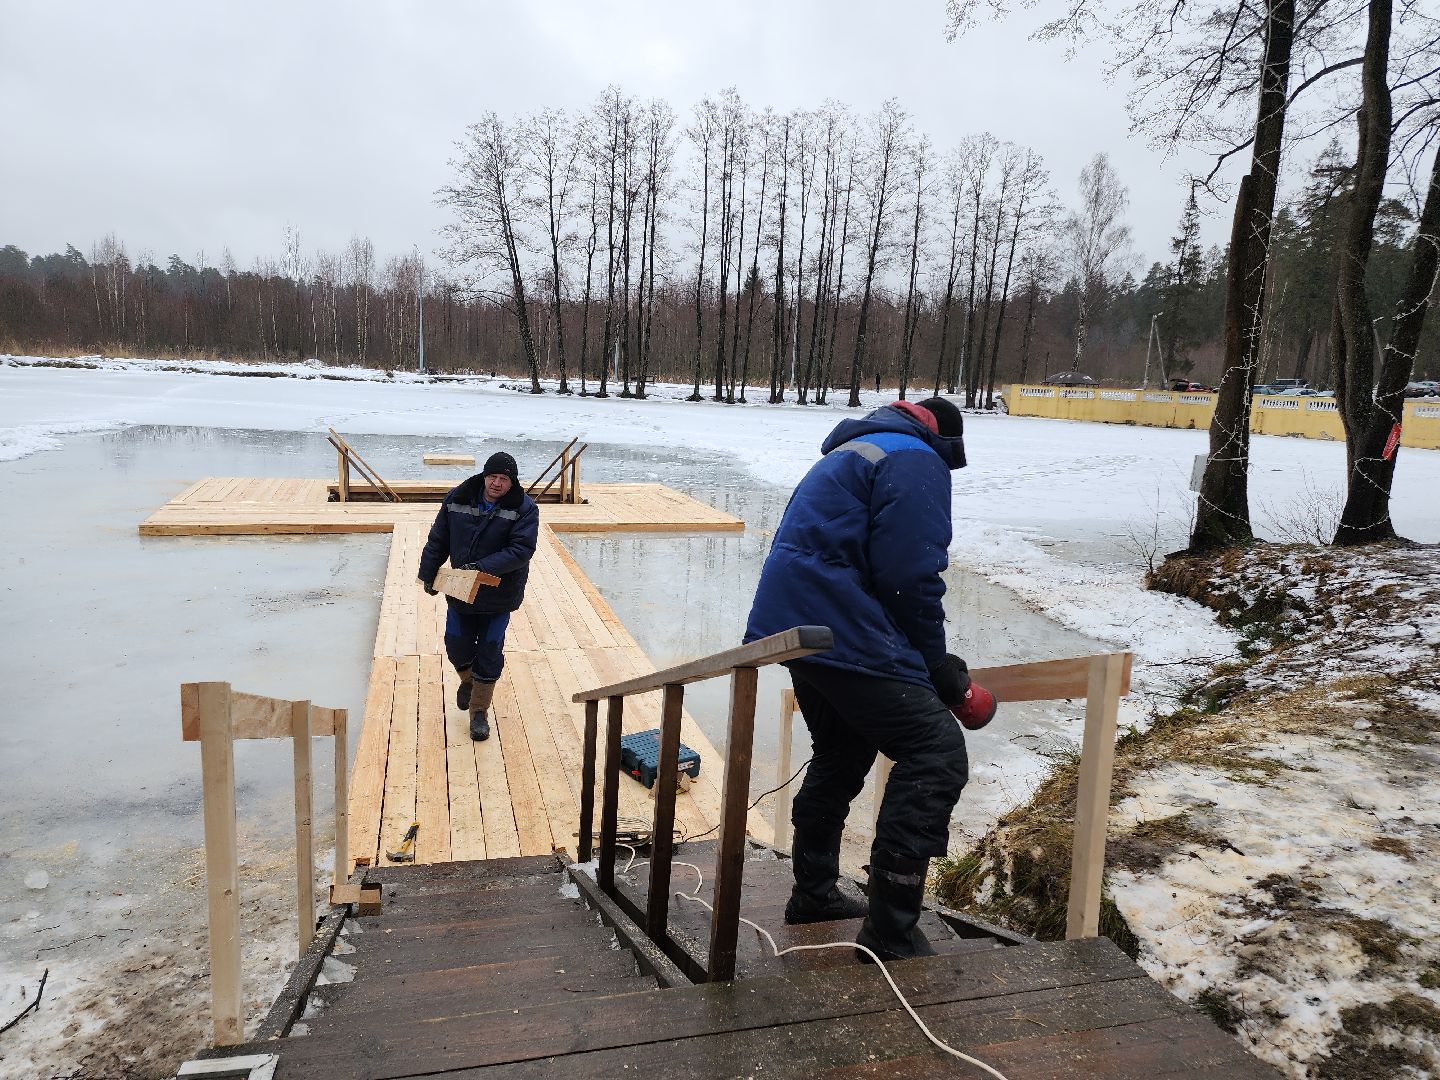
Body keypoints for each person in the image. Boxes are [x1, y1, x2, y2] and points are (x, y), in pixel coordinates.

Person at [744, 396, 994, 961]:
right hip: (841, 626)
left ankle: (813, 893)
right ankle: (891, 931)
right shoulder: (914, 457)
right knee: (936, 751)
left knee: (842, 750)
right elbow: (910, 575)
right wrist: (937, 667)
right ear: (944, 441)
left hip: (799, 629)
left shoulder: (858, 449)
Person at [418, 452, 539, 741]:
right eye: (493, 476)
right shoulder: (457, 498)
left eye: (504, 479)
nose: (497, 483)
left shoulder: (525, 508)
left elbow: (521, 550)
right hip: (461, 589)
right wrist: (429, 574)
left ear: (512, 482)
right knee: (455, 643)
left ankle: (479, 712)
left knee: (489, 648)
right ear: (484, 476)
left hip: (499, 593)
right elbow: (439, 538)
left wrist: (480, 568)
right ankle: (470, 682)